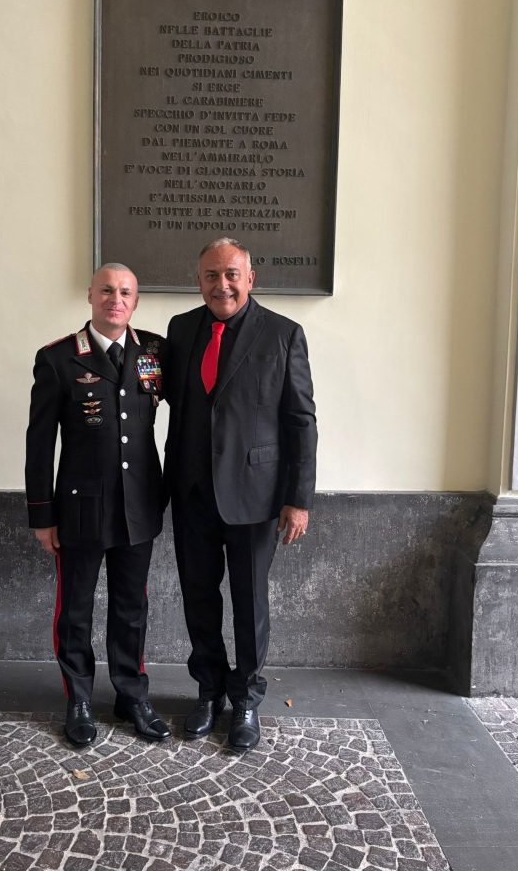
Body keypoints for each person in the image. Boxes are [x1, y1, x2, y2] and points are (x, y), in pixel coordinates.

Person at [163, 238, 317, 752]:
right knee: (199, 597)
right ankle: (208, 690)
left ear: (250, 278)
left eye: (231, 274)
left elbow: (301, 422)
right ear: (199, 279)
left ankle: (247, 698)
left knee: (250, 602)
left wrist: (298, 499)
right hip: (191, 494)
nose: (221, 284)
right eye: (211, 275)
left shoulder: (283, 335)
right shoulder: (181, 331)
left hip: (256, 498)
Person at [26, 263, 170, 747]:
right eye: (107, 290)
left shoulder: (153, 351)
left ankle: (131, 695)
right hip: (81, 509)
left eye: (126, 292)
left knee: (132, 608)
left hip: (138, 507)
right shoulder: (59, 359)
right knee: (76, 610)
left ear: (135, 300)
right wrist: (42, 515)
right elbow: (39, 444)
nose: (116, 299)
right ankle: (80, 699)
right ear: (90, 295)